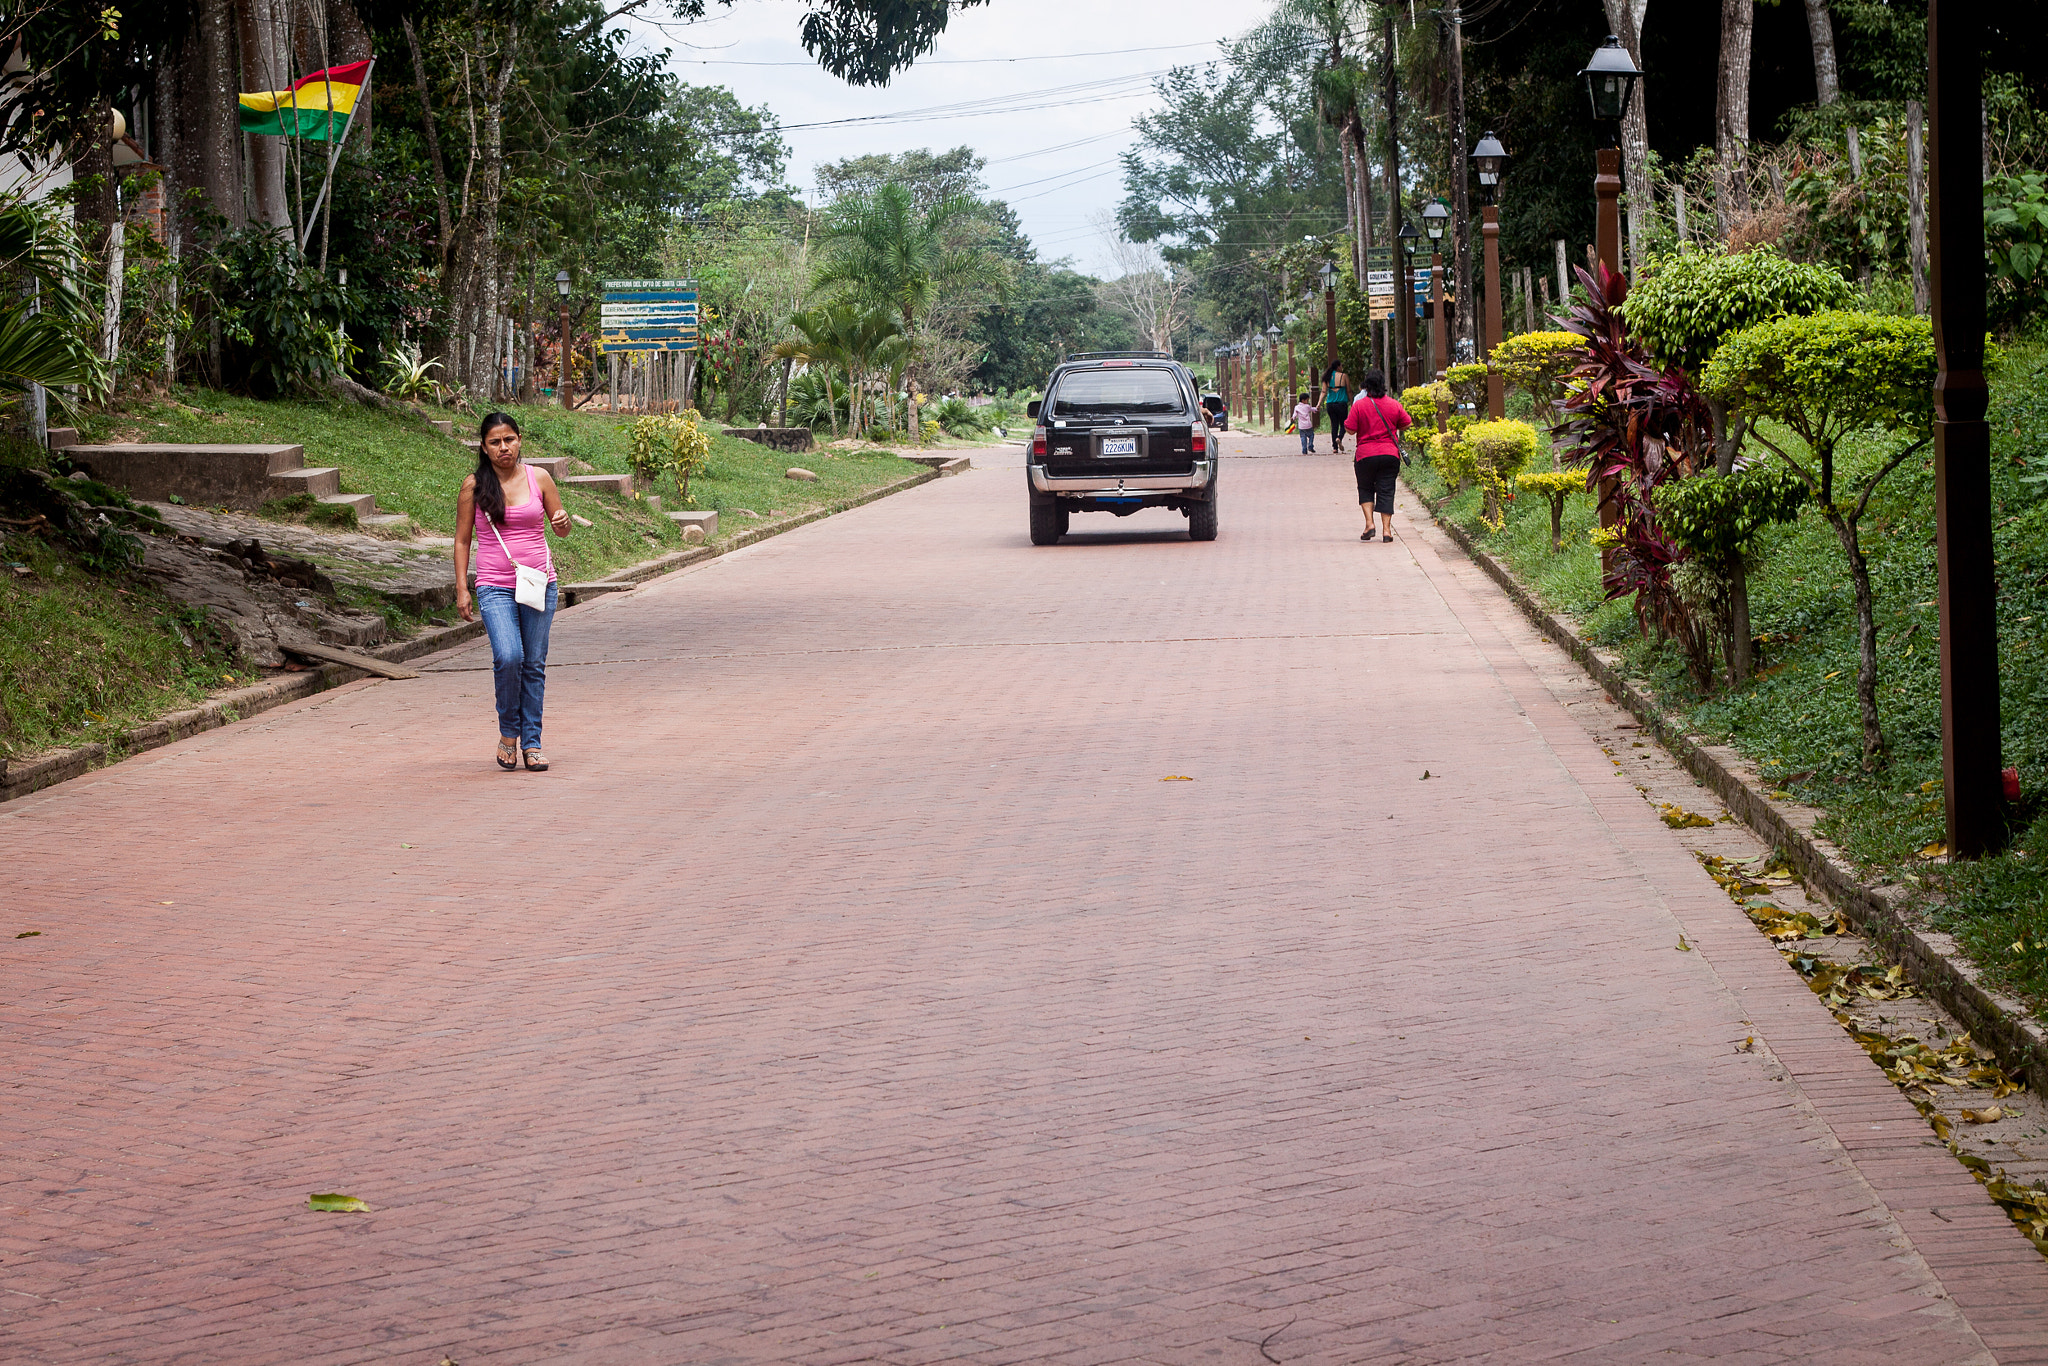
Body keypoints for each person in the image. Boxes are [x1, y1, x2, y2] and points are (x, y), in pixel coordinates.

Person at [453, 412, 572, 771]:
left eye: (509, 440)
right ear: (484, 447)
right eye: (495, 442)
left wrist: (563, 523)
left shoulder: (540, 478)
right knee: (509, 657)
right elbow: (461, 540)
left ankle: (532, 743)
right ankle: (509, 733)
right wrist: (462, 587)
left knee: (533, 664)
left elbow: (560, 528)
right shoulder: (474, 486)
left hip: (539, 584)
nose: (504, 448)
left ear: (519, 440)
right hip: (494, 585)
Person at [1344, 370, 1413, 543]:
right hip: (1390, 454)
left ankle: (1369, 525)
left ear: (1366, 386)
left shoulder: (1359, 406)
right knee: (1387, 490)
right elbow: (1407, 423)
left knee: (1365, 488)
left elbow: (1350, 429)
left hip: (1365, 455)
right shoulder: (1394, 404)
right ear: (1383, 385)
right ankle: (1387, 531)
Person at [1324, 366, 1351, 454]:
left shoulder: (1327, 377)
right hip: (1341, 404)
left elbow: (1323, 392)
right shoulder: (1344, 376)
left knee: (1334, 425)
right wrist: (1352, 402)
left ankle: (1335, 448)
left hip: (1330, 404)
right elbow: (1349, 390)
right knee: (1344, 424)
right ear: (1338, 367)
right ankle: (1339, 438)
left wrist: (1318, 404)